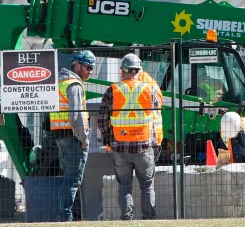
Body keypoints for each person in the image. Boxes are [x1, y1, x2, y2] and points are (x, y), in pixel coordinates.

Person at [98, 53, 163, 221]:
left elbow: (102, 119)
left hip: (120, 146)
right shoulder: (150, 89)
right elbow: (155, 114)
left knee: (124, 187)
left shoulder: (112, 90)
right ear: (139, 70)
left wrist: (109, 139)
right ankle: (149, 219)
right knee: (147, 186)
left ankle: (127, 220)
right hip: (144, 146)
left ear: (123, 71)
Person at [49, 49, 96, 222]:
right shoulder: (74, 85)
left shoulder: (58, 82)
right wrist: (84, 139)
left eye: (91, 68)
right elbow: (76, 116)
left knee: (67, 179)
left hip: (60, 135)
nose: (90, 71)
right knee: (73, 181)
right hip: (73, 137)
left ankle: (64, 216)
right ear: (76, 65)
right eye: (87, 67)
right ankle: (66, 217)